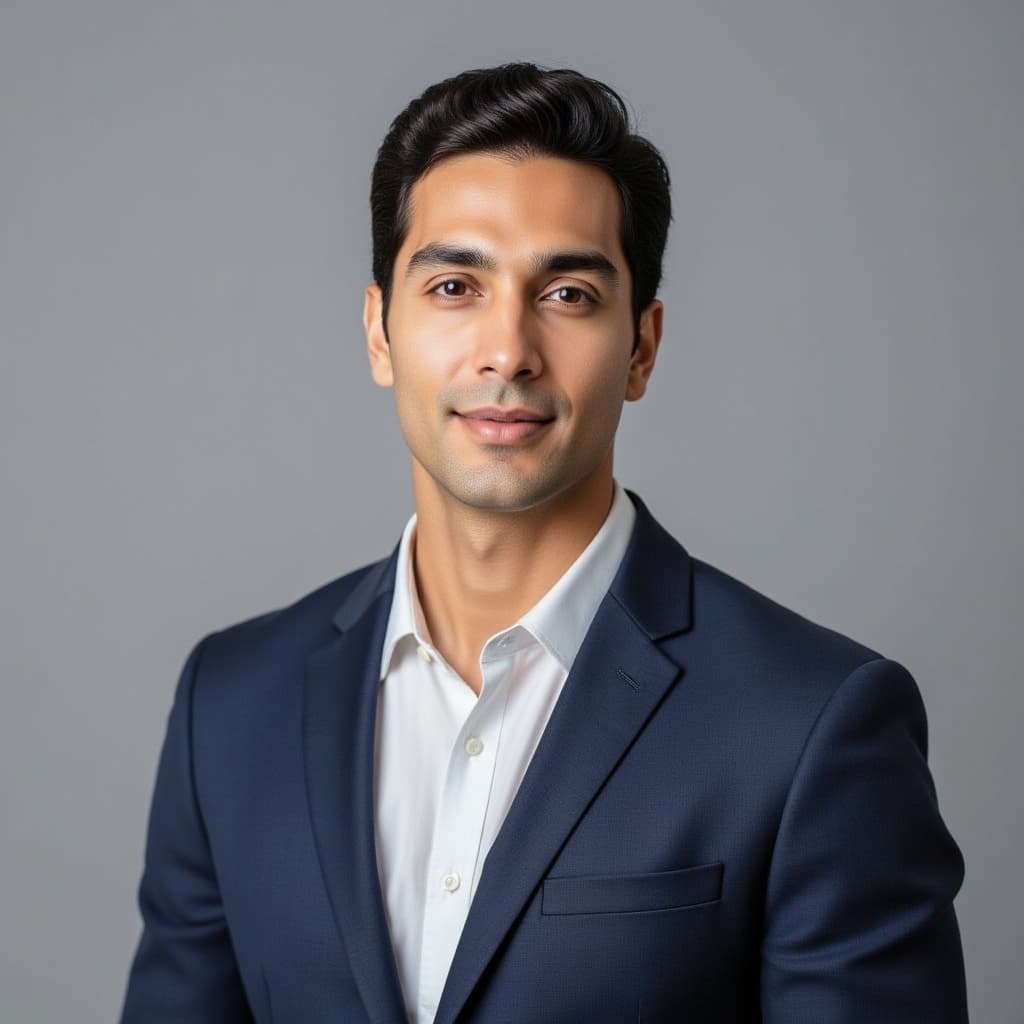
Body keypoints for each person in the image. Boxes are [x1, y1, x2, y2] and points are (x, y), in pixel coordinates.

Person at [120, 62, 968, 1023]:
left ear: (642, 348)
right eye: (453, 285)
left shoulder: (813, 724)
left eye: (567, 293)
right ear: (378, 332)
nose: (507, 349)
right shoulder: (228, 707)